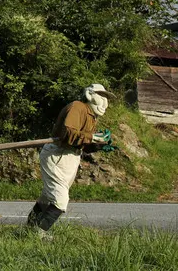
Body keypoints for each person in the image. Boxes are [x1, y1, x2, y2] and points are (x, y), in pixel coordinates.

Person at [26, 84, 114, 235]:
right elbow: (68, 133)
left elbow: (81, 142)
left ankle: (28, 229)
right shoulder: (78, 107)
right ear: (89, 95)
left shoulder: (92, 116)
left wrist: (97, 146)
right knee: (60, 200)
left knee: (48, 197)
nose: (105, 102)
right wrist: (93, 137)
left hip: (71, 157)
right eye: (102, 97)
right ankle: (38, 234)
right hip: (58, 154)